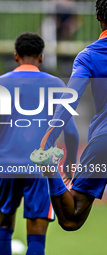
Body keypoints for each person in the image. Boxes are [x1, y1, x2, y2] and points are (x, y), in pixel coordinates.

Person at [0, 32, 79, 255]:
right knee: (37, 233)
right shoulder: (55, 84)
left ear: (16, 56)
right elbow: (71, 131)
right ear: (41, 57)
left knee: (3, 227)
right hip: (41, 169)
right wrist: (70, 161)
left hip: (6, 166)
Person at [38, 0, 107, 231]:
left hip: (104, 142)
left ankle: (50, 168)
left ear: (98, 17)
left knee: (71, 217)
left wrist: (47, 140)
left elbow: (69, 101)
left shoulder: (89, 56)